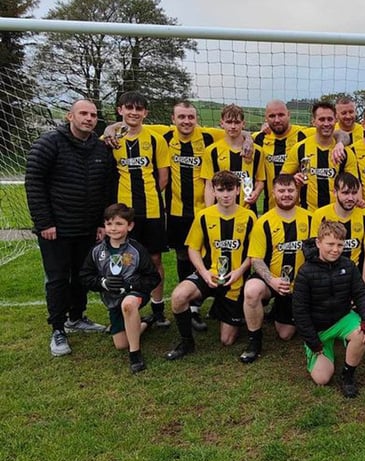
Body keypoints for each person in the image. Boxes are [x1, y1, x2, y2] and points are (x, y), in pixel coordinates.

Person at [25, 99, 113, 355]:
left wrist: (101, 224)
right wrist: (45, 223)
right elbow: (34, 183)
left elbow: (105, 189)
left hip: (88, 228)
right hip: (56, 229)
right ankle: (58, 329)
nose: (88, 118)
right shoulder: (48, 143)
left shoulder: (100, 149)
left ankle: (77, 317)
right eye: (83, 113)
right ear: (69, 116)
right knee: (58, 278)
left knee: (82, 276)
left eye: (93, 115)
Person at [164, 171, 256, 361]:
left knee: (227, 340)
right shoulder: (204, 216)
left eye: (230, 189)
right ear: (213, 191)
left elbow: (254, 253)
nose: (226, 195)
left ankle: (224, 309)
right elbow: (193, 249)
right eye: (221, 190)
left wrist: (239, 271)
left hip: (235, 280)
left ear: (238, 190)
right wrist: (204, 273)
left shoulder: (249, 217)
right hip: (209, 274)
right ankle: (186, 342)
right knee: (178, 296)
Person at [156, 100, 224, 331]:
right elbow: (120, 126)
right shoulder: (163, 136)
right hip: (176, 213)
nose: (186, 121)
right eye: (181, 117)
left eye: (191, 117)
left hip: (203, 211)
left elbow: (242, 131)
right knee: (184, 257)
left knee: (210, 255)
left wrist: (246, 138)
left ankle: (209, 303)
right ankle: (188, 306)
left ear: (197, 119)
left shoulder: (208, 137)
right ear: (173, 119)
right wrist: (109, 130)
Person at [293, 220, 365, 398]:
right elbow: (300, 313)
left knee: (362, 333)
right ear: (318, 242)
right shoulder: (305, 272)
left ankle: (348, 375)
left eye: (340, 245)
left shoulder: (349, 266)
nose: (335, 249)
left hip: (343, 318)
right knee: (322, 378)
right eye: (330, 244)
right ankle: (324, 349)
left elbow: (361, 294)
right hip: (319, 328)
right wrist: (313, 342)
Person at [110, 91, 171, 327]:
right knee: (125, 259)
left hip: (152, 209)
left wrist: (151, 195)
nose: (134, 112)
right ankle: (127, 308)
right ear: (120, 110)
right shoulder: (112, 139)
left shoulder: (155, 139)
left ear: (145, 112)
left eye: (139, 108)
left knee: (154, 259)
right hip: (123, 213)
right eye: (129, 108)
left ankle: (158, 310)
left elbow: (163, 177)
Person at [79, 203, 161, 373]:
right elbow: (85, 276)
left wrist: (130, 285)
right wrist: (103, 283)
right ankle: (144, 322)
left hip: (134, 293)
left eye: (119, 224)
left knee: (128, 304)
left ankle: (135, 354)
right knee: (121, 344)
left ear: (129, 226)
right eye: (109, 224)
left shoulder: (137, 250)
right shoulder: (97, 251)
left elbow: (153, 278)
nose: (113, 228)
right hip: (112, 299)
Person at [242, 174, 313, 362]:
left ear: (297, 191)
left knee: (286, 334)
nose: (286, 194)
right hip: (271, 281)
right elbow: (255, 259)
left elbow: (316, 256)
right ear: (273, 193)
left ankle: (282, 311)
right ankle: (254, 341)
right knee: (251, 290)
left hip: (298, 286)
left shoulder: (310, 218)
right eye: (281, 191)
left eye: (290, 190)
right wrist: (272, 280)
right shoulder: (263, 221)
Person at [282, 101, 357, 211]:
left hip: (337, 214)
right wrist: (292, 179)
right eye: (322, 119)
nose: (326, 123)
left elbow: (354, 184)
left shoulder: (345, 152)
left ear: (335, 121)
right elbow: (282, 176)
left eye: (330, 119)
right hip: (308, 214)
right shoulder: (300, 148)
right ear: (314, 122)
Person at [311, 172, 365, 284]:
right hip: (326, 279)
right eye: (345, 193)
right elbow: (314, 252)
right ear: (335, 192)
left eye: (354, 193)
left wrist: (362, 285)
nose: (350, 198)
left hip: (355, 278)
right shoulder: (320, 215)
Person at [253, 100, 309, 212]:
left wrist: (341, 144)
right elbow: (239, 136)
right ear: (266, 118)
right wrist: (247, 140)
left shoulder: (304, 134)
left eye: (281, 115)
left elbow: (335, 132)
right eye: (272, 116)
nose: (277, 120)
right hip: (270, 208)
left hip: (300, 209)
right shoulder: (259, 138)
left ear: (289, 115)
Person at [200, 104, 254, 208]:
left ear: (243, 124)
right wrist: (209, 211)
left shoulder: (254, 149)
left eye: (237, 122)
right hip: (220, 210)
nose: (233, 126)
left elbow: (259, 180)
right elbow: (209, 185)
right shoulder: (211, 151)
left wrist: (256, 192)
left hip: (247, 211)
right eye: (229, 122)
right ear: (222, 123)